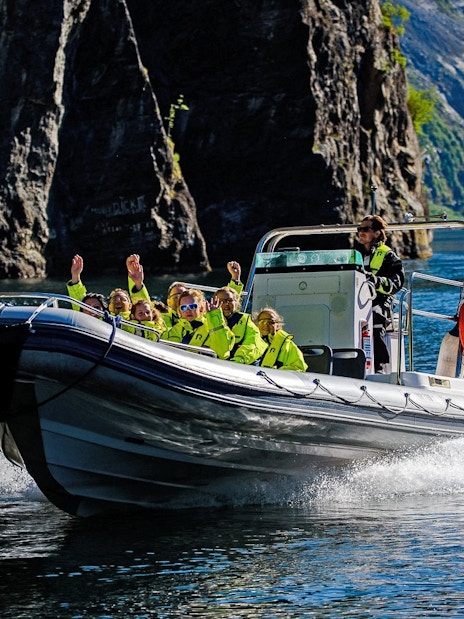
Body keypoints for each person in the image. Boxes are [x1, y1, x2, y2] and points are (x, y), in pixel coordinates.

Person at [356, 215, 405, 373]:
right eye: (359, 229)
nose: (360, 232)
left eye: (365, 229)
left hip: (380, 301)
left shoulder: (388, 255)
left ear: (377, 233)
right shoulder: (353, 254)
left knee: (374, 319)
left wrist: (376, 281)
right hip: (354, 300)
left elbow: (396, 283)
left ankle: (379, 368)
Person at [161, 288, 235, 359]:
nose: (188, 310)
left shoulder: (214, 326)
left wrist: (215, 317)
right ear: (180, 311)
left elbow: (222, 353)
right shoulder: (175, 330)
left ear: (201, 309)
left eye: (192, 306)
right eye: (184, 307)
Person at [214, 286, 267, 364]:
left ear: (236, 302)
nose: (226, 304)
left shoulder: (246, 321)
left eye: (230, 300)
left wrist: (239, 359)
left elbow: (253, 343)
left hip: (237, 363)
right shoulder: (208, 320)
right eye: (222, 301)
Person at [255, 307, 307, 372]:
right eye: (262, 321)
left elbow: (299, 369)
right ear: (257, 324)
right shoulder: (249, 341)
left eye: (270, 322)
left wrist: (276, 372)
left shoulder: (287, 345)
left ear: (277, 325)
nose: (266, 325)